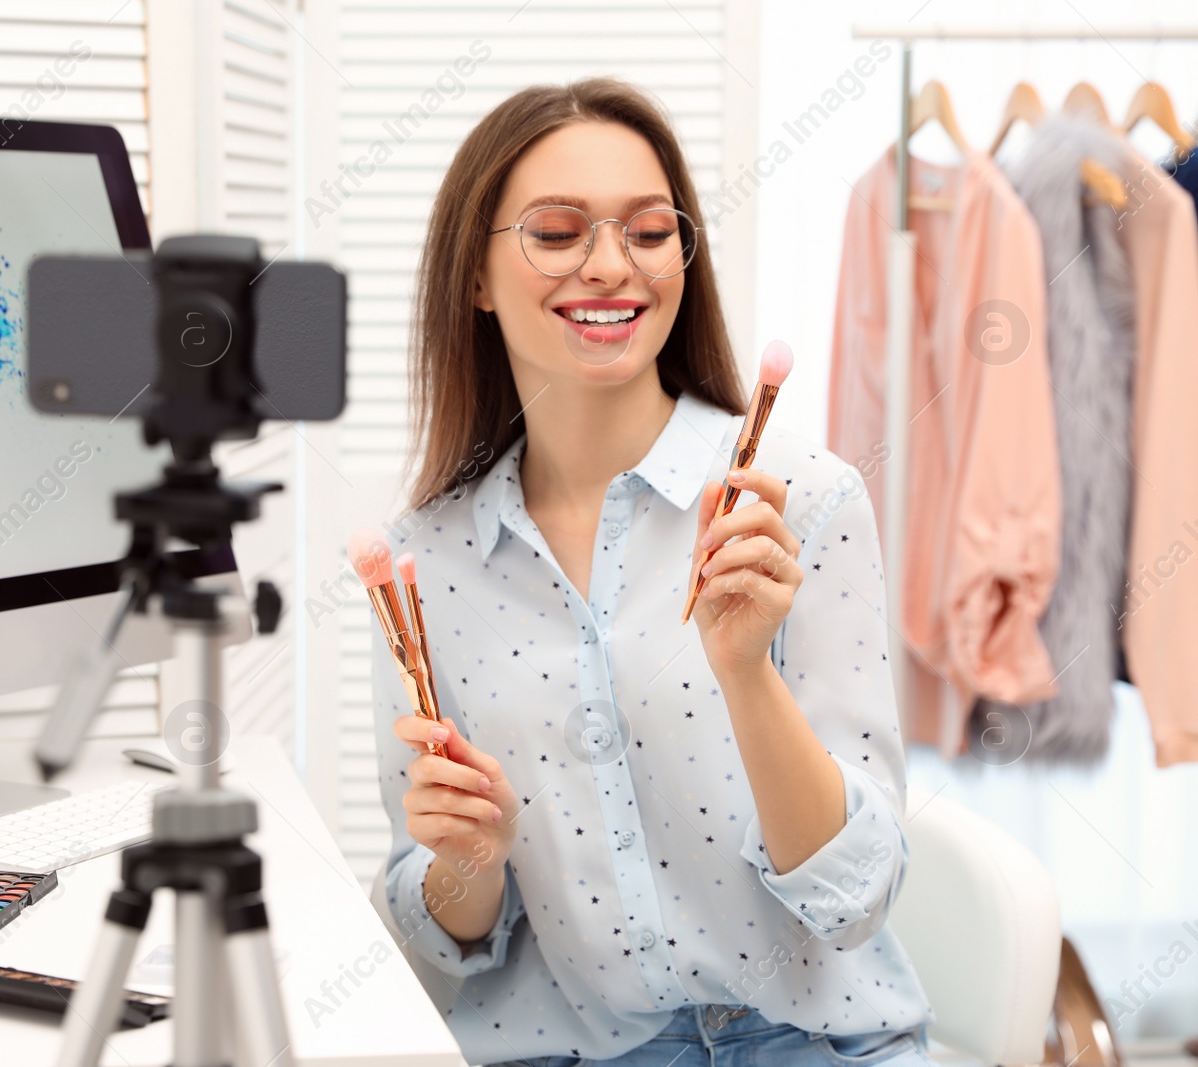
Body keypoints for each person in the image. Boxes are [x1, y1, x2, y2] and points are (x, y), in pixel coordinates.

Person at [370, 77, 933, 1067]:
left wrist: (745, 671)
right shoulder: (427, 564)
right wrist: (469, 860)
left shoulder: (802, 499)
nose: (609, 266)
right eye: (555, 231)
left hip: (817, 1042)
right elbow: (446, 942)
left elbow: (856, 896)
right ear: (475, 276)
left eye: (646, 230)